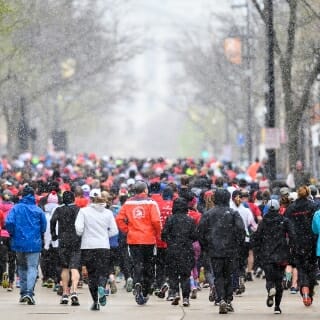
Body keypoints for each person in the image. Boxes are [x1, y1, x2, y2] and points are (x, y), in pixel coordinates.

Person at [198, 188, 246, 314]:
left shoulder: (208, 214)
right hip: (230, 250)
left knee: (218, 276)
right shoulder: (233, 213)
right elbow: (241, 231)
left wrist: (206, 247)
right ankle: (228, 299)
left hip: (215, 250)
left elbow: (200, 233)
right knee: (228, 275)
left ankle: (221, 299)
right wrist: (237, 245)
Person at [116, 181, 161, 305]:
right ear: (145, 190)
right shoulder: (151, 203)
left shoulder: (127, 203)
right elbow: (157, 221)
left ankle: (137, 282)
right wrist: (157, 234)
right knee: (148, 265)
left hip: (133, 239)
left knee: (137, 263)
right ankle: (145, 289)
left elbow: (119, 219)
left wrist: (128, 230)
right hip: (149, 239)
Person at [75, 189, 118, 311]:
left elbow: (79, 230)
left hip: (88, 247)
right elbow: (114, 231)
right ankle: (102, 286)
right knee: (103, 272)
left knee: (92, 274)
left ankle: (95, 301)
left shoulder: (83, 211)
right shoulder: (108, 213)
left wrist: (86, 234)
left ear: (90, 198)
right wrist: (104, 235)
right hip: (103, 246)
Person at [251, 199, 296, 314]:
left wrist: (257, 250)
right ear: (278, 208)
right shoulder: (284, 220)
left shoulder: (263, 222)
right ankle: (277, 307)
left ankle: (270, 289)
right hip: (281, 254)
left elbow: (257, 237)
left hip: (267, 254)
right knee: (279, 280)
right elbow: (292, 235)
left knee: (269, 278)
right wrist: (291, 248)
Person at [5, 185, 47, 305]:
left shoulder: (16, 208)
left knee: (22, 267)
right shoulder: (38, 209)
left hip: (19, 242)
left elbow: (9, 222)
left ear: (22, 195)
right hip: (34, 243)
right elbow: (43, 226)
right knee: (32, 267)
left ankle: (23, 292)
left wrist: (13, 233)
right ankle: (29, 292)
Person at [161, 198, 198, 307]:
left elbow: (164, 235)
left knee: (173, 274)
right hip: (186, 250)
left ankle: (176, 293)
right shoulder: (190, 220)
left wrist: (170, 241)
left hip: (172, 249)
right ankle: (186, 298)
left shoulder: (170, 219)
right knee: (185, 275)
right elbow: (195, 236)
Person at [285, 185, 317, 307]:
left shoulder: (291, 208)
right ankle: (310, 291)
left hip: (297, 243)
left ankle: (304, 288)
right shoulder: (313, 206)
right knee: (312, 268)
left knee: (301, 268)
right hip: (311, 242)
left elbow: (286, 224)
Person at [50, 191, 81, 306]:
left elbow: (52, 221)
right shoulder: (78, 210)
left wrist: (54, 235)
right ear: (73, 199)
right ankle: (74, 291)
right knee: (74, 267)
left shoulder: (59, 210)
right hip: (76, 241)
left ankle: (64, 293)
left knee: (64, 267)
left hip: (63, 241)